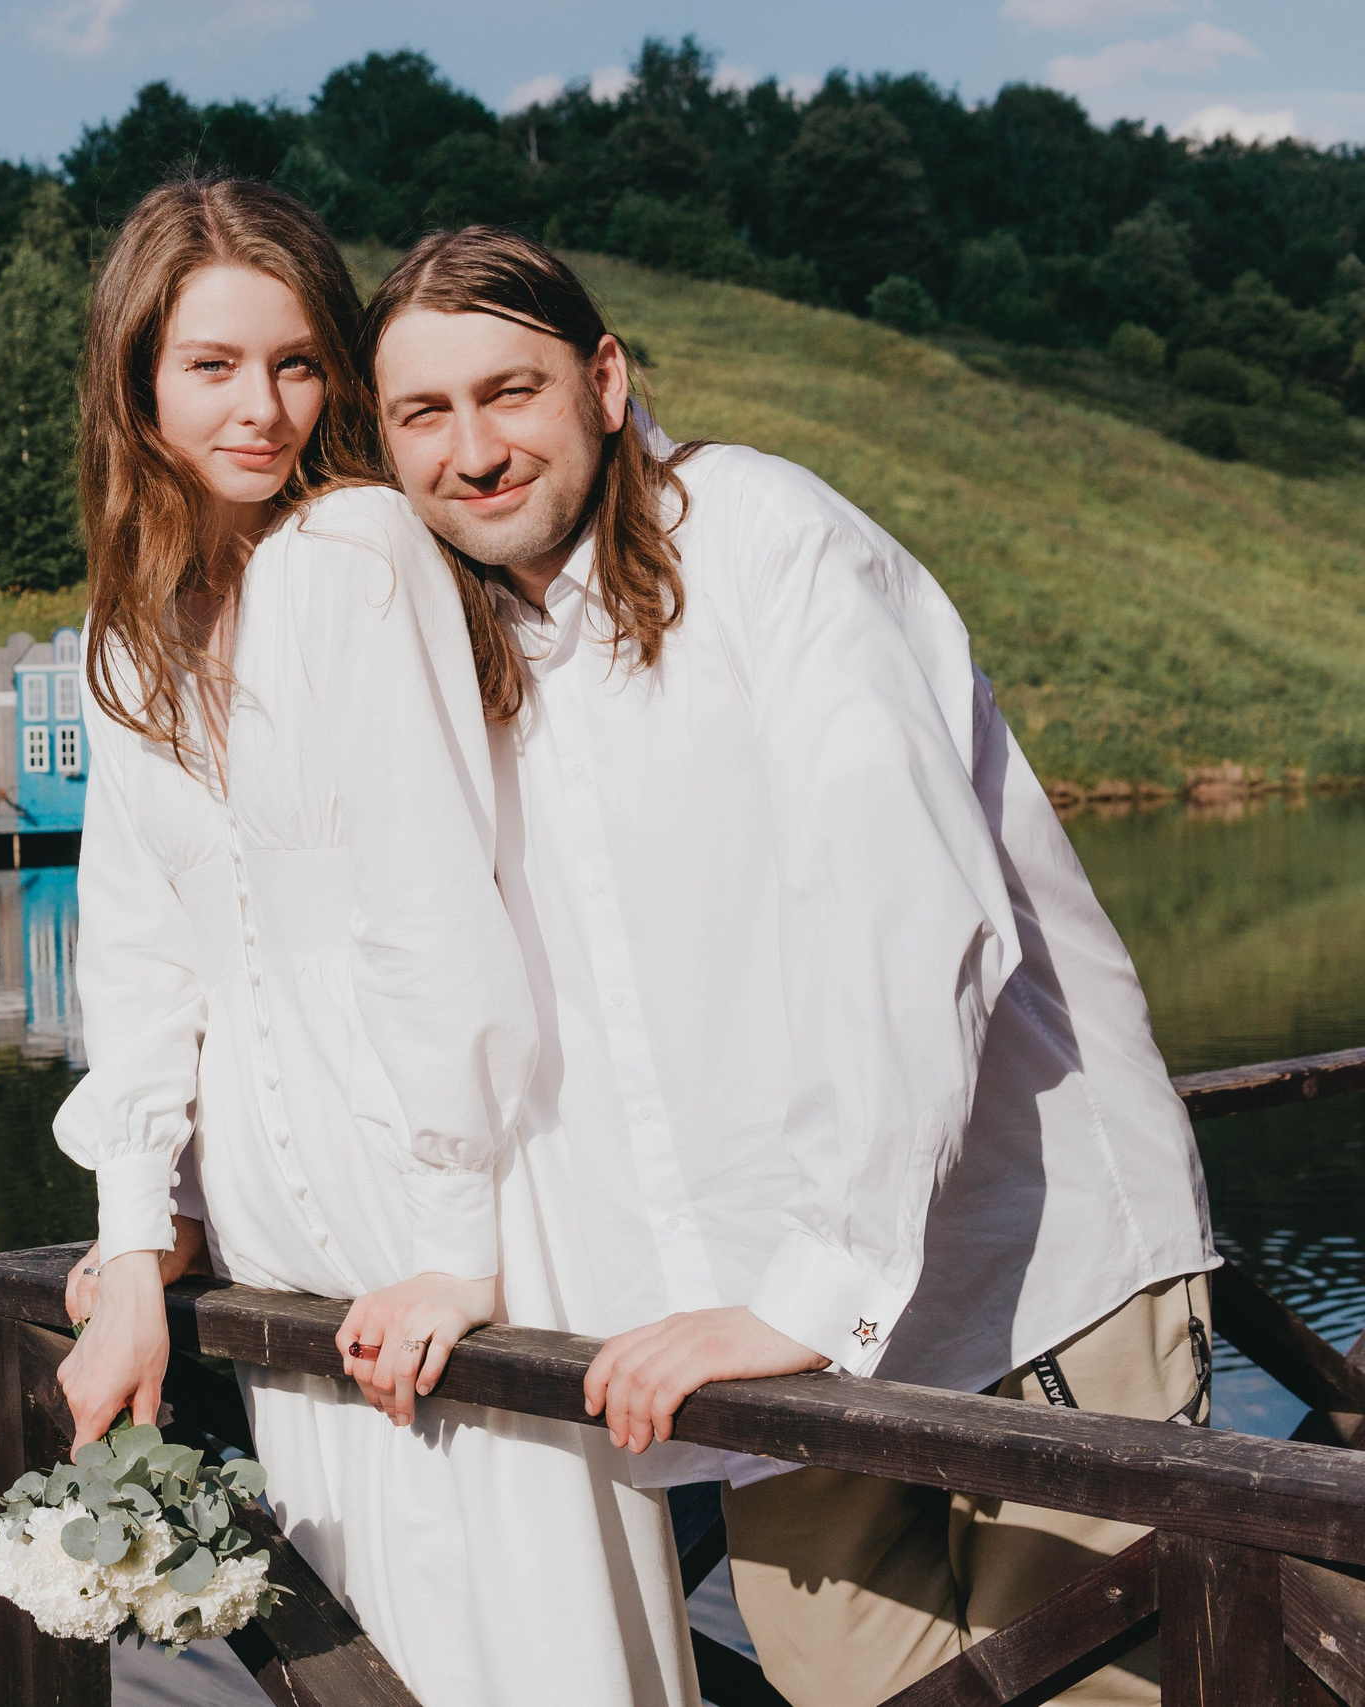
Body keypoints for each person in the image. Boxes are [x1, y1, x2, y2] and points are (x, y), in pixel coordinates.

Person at [362, 224, 1217, 1707]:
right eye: (423, 415)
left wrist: (813, 1292)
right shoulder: (470, 657)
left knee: (1104, 1691)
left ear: (607, 379)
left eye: (511, 391)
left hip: (1026, 1277)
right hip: (752, 1331)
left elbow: (903, 913)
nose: (475, 448)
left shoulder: (766, 538)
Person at [51, 180, 694, 1707]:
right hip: (282, 1248)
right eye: (213, 366)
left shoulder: (350, 549)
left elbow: (432, 903)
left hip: (437, 1220)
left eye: (297, 363)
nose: (265, 408)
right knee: (374, 1657)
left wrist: (453, 1248)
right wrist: (136, 1239)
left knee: (530, 1653)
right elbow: (142, 960)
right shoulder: (122, 637)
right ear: (137, 382)